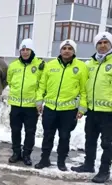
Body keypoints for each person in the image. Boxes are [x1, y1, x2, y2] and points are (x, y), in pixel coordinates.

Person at [34, 39, 88, 171]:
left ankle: (61, 161)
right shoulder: (50, 65)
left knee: (64, 137)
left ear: (74, 51)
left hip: (68, 111)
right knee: (48, 135)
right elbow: (42, 86)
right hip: (50, 109)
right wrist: (39, 101)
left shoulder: (81, 67)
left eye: (70, 48)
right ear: (60, 51)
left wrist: (82, 108)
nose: (67, 51)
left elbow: (84, 90)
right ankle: (44, 159)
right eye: (64, 48)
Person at [71, 32, 112, 183]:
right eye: (99, 43)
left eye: (105, 42)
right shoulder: (90, 64)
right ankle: (89, 164)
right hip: (92, 111)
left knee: (107, 143)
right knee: (90, 140)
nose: (102, 45)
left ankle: (104, 171)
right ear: (95, 45)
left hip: (109, 113)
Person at [7, 38, 44, 165]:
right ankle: (16, 153)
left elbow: (42, 85)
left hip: (31, 106)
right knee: (15, 130)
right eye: (22, 49)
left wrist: (38, 100)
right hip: (16, 105)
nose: (25, 52)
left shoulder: (39, 65)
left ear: (32, 50)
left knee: (30, 131)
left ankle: (27, 154)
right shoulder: (13, 65)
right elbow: (10, 81)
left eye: (27, 49)